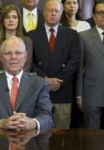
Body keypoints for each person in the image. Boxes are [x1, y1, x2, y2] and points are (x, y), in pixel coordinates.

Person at [0, 36, 53, 131]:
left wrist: (33, 122)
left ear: (26, 57)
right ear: (1, 57)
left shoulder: (40, 84)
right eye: (8, 53)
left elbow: (47, 117)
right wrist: (1, 122)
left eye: (18, 53)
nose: (13, 57)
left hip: (29, 142)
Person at [27, 0, 80, 129]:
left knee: (62, 136)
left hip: (63, 91)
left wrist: (58, 81)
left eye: (56, 11)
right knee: (40, 134)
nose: (53, 13)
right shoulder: (31, 35)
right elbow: (29, 63)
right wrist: (45, 80)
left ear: (61, 12)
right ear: (43, 12)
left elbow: (75, 61)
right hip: (40, 91)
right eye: (50, 10)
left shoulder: (72, 35)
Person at [76, 0, 104, 129]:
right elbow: (79, 69)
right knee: (92, 138)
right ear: (94, 16)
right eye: (100, 13)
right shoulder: (83, 37)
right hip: (91, 95)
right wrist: (79, 95)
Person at [0, 4, 33, 72]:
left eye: (14, 17)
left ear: (19, 20)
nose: (11, 20)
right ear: (2, 20)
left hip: (21, 81)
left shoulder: (27, 41)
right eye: (7, 17)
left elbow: (27, 66)